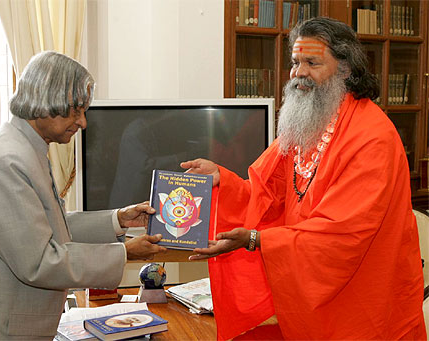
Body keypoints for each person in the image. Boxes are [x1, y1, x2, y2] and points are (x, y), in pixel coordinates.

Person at [181, 17, 426, 340]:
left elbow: (341, 236)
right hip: (310, 308)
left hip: (363, 309)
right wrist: (221, 179)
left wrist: (257, 240)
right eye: (295, 62)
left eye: (312, 62)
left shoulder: (372, 137)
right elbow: (265, 195)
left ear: (345, 69)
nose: (299, 73)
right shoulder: (306, 124)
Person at [0, 51, 166, 340]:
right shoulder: (7, 161)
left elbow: (48, 226)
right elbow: (40, 261)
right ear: (47, 100)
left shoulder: (26, 149)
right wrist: (125, 252)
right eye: (76, 111)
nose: (83, 123)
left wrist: (117, 220)